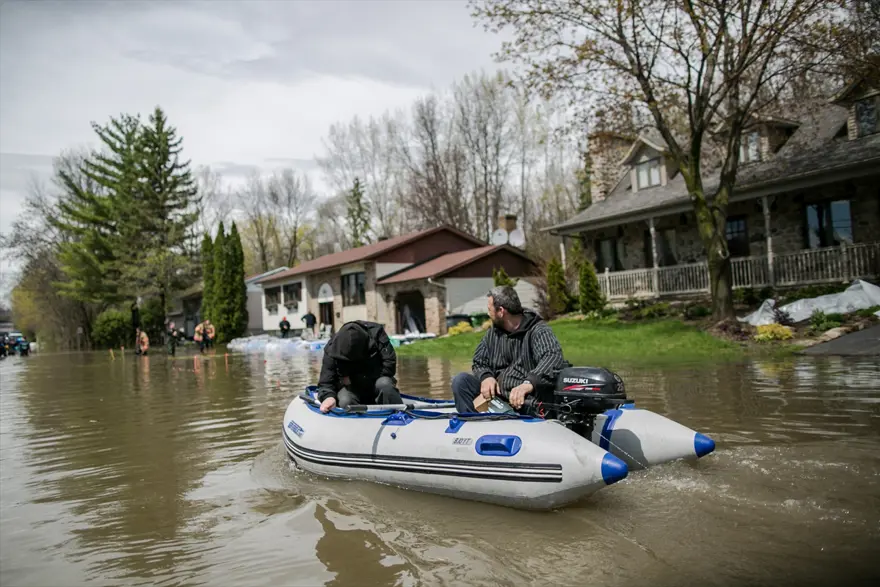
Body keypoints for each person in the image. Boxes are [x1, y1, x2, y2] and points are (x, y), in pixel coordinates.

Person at [451, 286, 567, 414]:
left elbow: (552, 357)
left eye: (490, 310)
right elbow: (479, 361)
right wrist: (486, 377)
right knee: (460, 381)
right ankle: (472, 425)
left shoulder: (538, 330)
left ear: (501, 311)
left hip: (525, 401)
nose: (488, 314)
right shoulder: (492, 334)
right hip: (497, 399)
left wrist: (528, 384)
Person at [316, 320, 403, 413]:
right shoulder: (332, 348)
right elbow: (326, 382)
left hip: (376, 382)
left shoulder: (377, 335)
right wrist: (328, 397)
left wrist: (357, 378)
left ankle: (399, 413)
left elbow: (389, 367)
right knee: (346, 400)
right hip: (351, 389)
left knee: (385, 384)